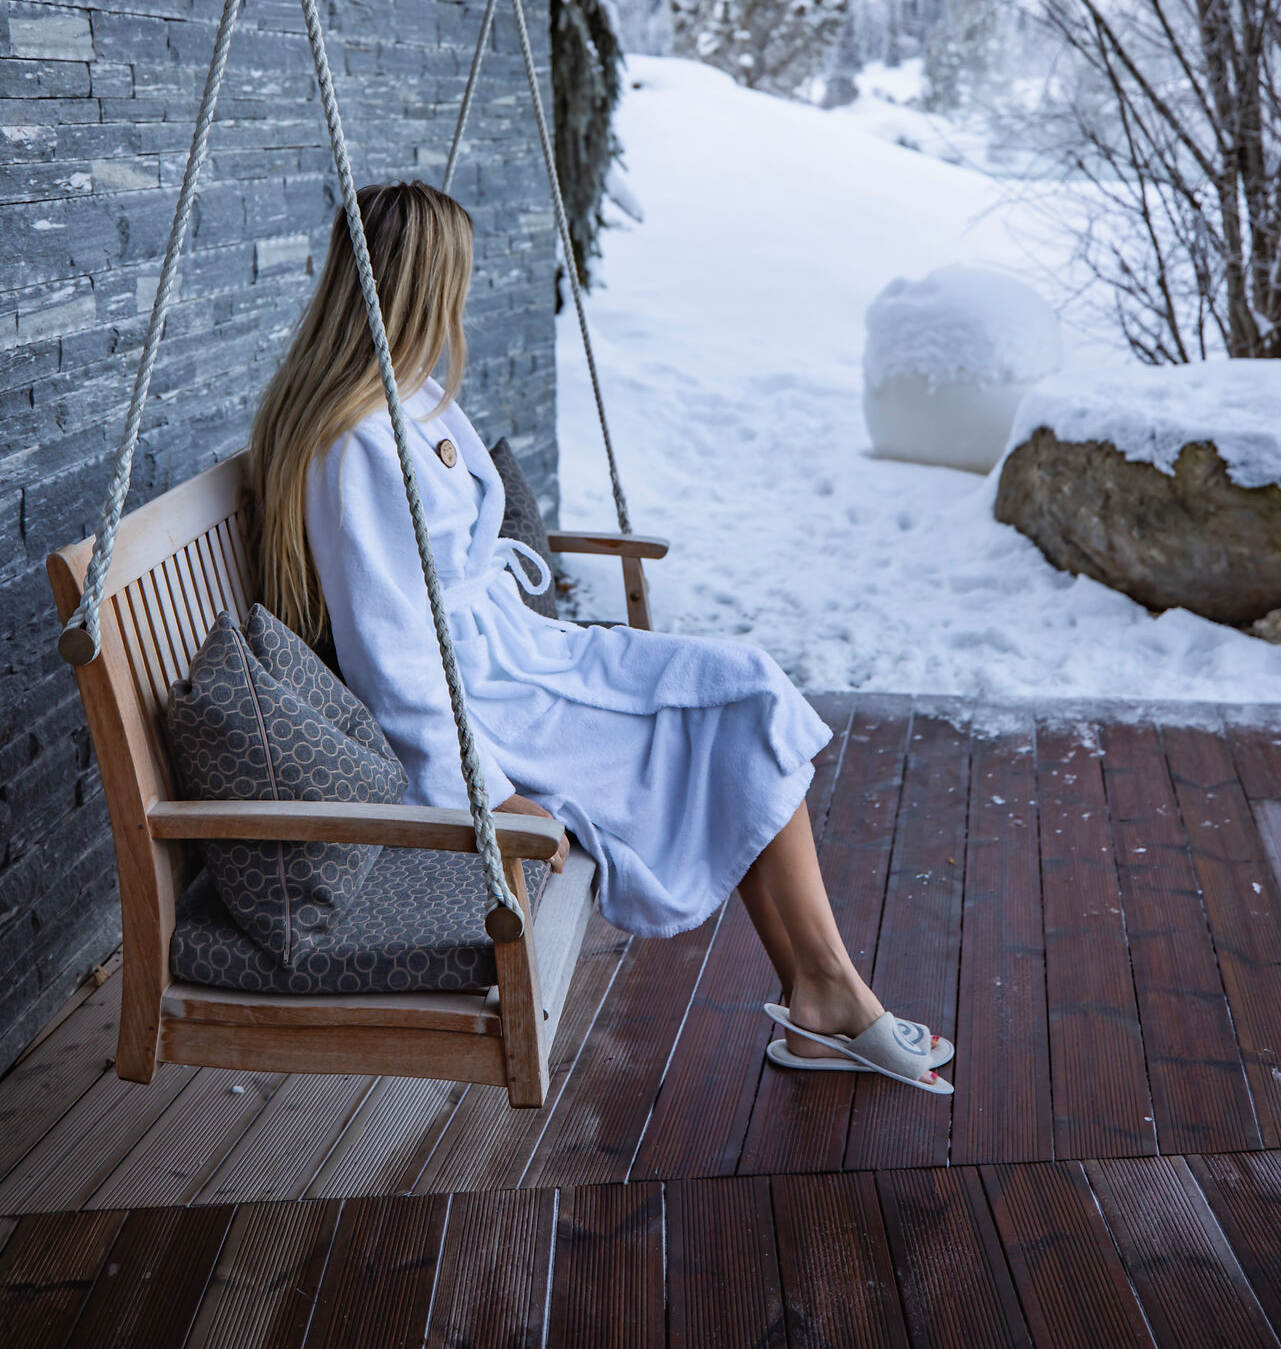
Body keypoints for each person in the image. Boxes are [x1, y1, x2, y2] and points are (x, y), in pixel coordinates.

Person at [249, 181, 950, 1091]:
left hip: (518, 656)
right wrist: (483, 792)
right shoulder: (354, 444)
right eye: (457, 276)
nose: (466, 294)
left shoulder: (410, 398)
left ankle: (825, 995)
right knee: (729, 704)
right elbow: (391, 655)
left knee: (741, 687)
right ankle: (832, 999)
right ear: (420, 284)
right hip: (490, 707)